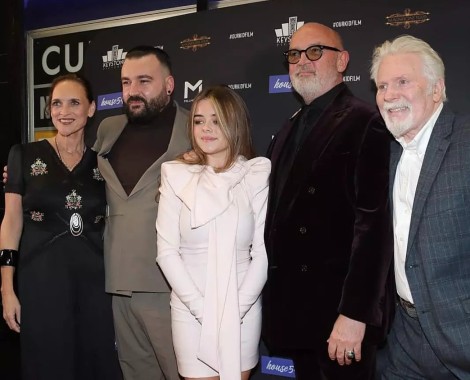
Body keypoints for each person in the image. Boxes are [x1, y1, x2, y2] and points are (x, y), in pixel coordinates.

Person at [261, 22, 395, 380]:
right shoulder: (288, 127)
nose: (302, 61)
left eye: (315, 51)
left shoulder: (366, 122)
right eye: (294, 54)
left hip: (338, 320)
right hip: (295, 315)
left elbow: (374, 227)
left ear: (342, 61)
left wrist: (355, 315)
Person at [0, 73, 121, 379]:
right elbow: (11, 221)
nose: (64, 111)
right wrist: (6, 288)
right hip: (41, 281)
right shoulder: (23, 155)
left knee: (95, 365)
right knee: (46, 365)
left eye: (74, 102)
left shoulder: (104, 162)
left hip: (95, 285)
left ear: (91, 108)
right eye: (56, 103)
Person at [371, 35, 470, 379]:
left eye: (402, 82)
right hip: (403, 340)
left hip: (462, 340)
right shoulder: (387, 153)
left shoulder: (465, 142)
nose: (389, 94)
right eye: (382, 86)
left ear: (437, 89)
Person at [156, 85, 270, 380]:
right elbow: (167, 253)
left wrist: (234, 311)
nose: (206, 128)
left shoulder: (255, 175)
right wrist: (206, 313)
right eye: (198, 120)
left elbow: (262, 254)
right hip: (190, 311)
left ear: (235, 123)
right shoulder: (177, 176)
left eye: (216, 120)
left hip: (242, 311)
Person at [92, 45, 189, 380]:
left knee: (183, 373)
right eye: (125, 82)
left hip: (171, 283)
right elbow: (75, 177)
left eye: (144, 81)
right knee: (136, 373)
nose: (132, 91)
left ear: (169, 84)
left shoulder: (195, 129)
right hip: (119, 280)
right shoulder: (108, 129)